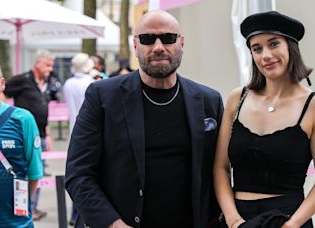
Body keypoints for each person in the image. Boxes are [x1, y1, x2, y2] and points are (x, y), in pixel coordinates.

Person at [65, 10, 223, 228]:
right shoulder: (102, 97)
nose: (158, 47)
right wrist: (114, 224)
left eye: (168, 38)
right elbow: (78, 174)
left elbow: (221, 171)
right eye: (148, 39)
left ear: (182, 43)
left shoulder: (209, 101)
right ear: (135, 45)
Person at [213, 11, 315, 228]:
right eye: (257, 48)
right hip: (238, 220)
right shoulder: (237, 99)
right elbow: (220, 168)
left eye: (273, 44)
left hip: (288, 220)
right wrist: (233, 221)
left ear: (291, 46)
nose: (266, 55)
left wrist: (292, 224)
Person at [0, 58, 43, 227]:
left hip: (15, 223)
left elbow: (34, 172)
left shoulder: (22, 119)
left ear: (2, 83)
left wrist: (21, 206)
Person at [3, 49, 58, 221]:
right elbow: (2, 92)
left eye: (52, 65)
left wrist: (48, 134)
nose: (50, 69)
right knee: (21, 171)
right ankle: (21, 206)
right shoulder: (22, 80)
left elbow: (45, 109)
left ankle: (31, 207)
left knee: (38, 172)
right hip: (22, 134)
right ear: (37, 63)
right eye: (47, 65)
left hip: (40, 135)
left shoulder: (48, 82)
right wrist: (7, 117)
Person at [62, 53, 95, 226]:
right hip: (88, 133)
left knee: (76, 172)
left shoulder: (68, 83)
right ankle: (79, 214)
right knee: (86, 174)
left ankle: (74, 214)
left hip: (73, 130)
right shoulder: (89, 82)